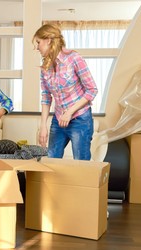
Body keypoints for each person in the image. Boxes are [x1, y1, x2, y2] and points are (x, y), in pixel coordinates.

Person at [33, 24, 98, 160]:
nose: (36, 47)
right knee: (51, 159)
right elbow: (46, 97)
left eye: (38, 42)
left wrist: (69, 112)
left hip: (80, 119)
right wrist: (43, 125)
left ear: (48, 40)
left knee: (81, 163)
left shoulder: (74, 58)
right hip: (58, 119)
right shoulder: (45, 67)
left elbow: (92, 89)